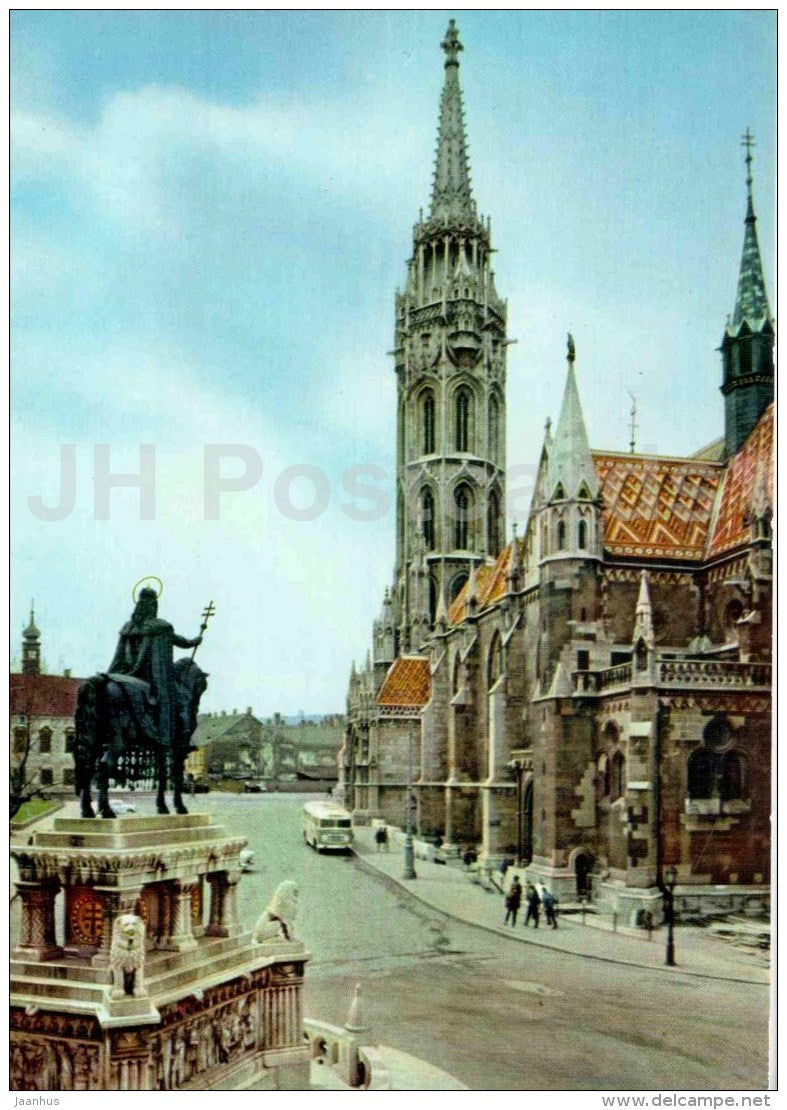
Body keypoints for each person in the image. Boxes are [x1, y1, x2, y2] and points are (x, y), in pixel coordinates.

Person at [108, 587, 202, 748]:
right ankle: (184, 736)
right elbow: (180, 641)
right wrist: (195, 641)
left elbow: (121, 655)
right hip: (153, 675)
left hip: (125, 672)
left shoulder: (128, 627)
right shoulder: (161, 627)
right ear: (153, 606)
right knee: (182, 700)